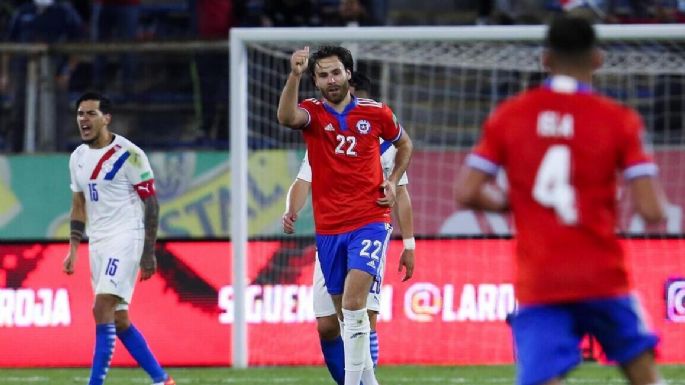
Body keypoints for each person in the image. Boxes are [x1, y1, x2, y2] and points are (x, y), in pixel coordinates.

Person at [455, 16, 667, 385]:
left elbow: (466, 191)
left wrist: (512, 202)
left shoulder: (510, 115)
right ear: (598, 58)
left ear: (545, 59)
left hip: (541, 279)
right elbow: (652, 211)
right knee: (644, 374)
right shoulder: (619, 120)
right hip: (602, 276)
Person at [277, 45, 413, 385]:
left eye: (336, 72)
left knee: (356, 307)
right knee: (341, 318)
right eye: (322, 74)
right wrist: (294, 75)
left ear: (348, 74)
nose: (331, 79)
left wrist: (393, 181)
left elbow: (406, 144)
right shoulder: (311, 114)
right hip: (329, 229)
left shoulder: (376, 113)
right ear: (315, 80)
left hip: (370, 220)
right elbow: (285, 118)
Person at [62, 92, 175, 385]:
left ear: (106, 119)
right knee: (119, 320)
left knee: (101, 308)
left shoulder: (130, 154)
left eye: (90, 114)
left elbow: (151, 203)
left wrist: (148, 252)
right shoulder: (77, 158)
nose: (83, 120)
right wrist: (73, 249)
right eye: (80, 114)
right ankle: (162, 380)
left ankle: (95, 383)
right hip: (97, 243)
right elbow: (78, 205)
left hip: (127, 238)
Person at [0, 0, 84, 152]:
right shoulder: (23, 11)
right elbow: (8, 44)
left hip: (55, 73)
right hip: (23, 72)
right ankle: (16, 153)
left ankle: (57, 153)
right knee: (18, 115)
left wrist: (66, 72)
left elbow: (79, 44)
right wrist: (4, 75)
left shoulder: (65, 12)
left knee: (56, 116)